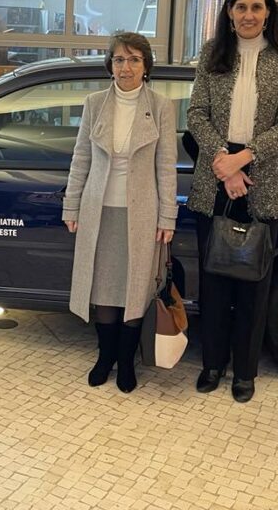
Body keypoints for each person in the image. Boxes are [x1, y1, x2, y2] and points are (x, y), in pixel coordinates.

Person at [187, 0, 278, 403]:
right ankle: (212, 364)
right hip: (215, 178)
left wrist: (244, 159)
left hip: (264, 181)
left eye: (256, 7)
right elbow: (196, 114)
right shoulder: (212, 54)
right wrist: (225, 161)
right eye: (241, 7)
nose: (249, 15)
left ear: (269, 12)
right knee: (214, 279)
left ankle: (245, 372)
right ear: (229, 12)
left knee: (254, 286)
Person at [63, 32, 178, 393]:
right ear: (110, 65)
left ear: (146, 66)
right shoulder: (95, 103)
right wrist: (71, 204)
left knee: (135, 290)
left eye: (134, 60)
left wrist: (167, 217)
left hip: (141, 214)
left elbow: (166, 166)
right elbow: (81, 158)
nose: (126, 67)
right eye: (118, 60)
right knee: (103, 289)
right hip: (99, 211)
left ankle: (127, 362)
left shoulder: (161, 106)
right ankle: (105, 356)